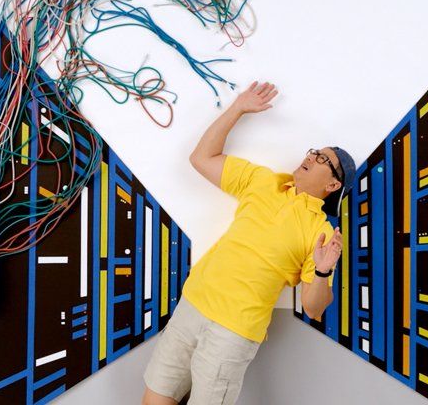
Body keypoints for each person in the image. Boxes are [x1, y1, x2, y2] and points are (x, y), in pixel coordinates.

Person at [141, 81, 357, 405]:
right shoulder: (264, 181)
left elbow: (314, 309)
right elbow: (202, 157)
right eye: (313, 150)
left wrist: (324, 272)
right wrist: (238, 108)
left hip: (233, 332)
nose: (310, 156)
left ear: (333, 183)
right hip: (192, 305)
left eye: (322, 158)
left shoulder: (321, 232)